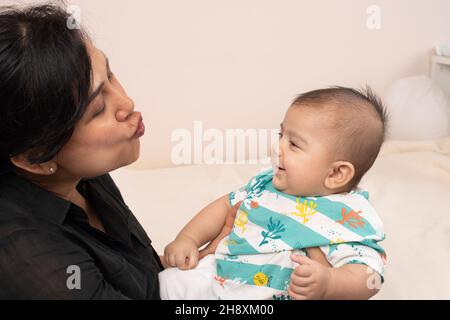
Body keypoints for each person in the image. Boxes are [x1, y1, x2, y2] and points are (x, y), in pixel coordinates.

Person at [0, 3, 234, 299]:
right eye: (98, 109)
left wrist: (202, 262)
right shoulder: (30, 261)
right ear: (36, 156)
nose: (126, 102)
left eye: (110, 75)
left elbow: (134, 281)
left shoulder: (77, 175)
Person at [159, 87, 388, 300]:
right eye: (281, 135)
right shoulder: (266, 185)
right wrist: (188, 239)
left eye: (294, 144)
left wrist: (330, 282)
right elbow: (223, 207)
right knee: (168, 281)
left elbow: (370, 278)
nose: (277, 148)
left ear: (337, 173)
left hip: (271, 296)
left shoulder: (346, 215)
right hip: (220, 274)